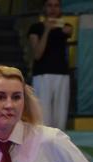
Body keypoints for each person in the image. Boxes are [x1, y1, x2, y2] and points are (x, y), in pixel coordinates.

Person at [28, 0, 72, 130]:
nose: (53, 9)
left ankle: (58, 146)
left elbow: (69, 31)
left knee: (60, 116)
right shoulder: (36, 28)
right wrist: (47, 30)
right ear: (44, 8)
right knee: (43, 115)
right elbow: (37, 54)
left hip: (62, 74)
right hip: (42, 75)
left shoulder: (65, 27)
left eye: (56, 6)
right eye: (50, 5)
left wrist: (62, 29)